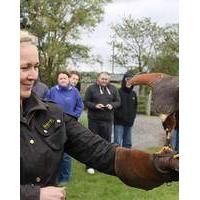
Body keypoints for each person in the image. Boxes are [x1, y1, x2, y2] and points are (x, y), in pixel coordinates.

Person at [20, 30, 178, 200]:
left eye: (36, 67)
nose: (33, 76)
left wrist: (160, 165)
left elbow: (101, 152)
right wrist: (32, 195)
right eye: (24, 67)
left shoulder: (51, 114)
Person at [46, 71, 84, 185]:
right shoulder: (52, 91)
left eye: (65, 78)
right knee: (54, 151)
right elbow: (46, 104)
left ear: (68, 80)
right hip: (54, 125)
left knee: (67, 153)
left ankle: (65, 179)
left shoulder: (74, 91)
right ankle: (54, 177)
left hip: (69, 125)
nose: (63, 80)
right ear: (58, 80)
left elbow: (80, 105)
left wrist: (74, 116)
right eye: (61, 78)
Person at [84, 72, 121, 174]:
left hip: (108, 120)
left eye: (106, 79)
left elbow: (118, 102)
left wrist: (112, 105)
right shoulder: (91, 88)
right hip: (94, 120)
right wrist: (95, 105)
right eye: (102, 79)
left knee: (106, 143)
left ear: (108, 80)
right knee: (92, 142)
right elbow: (86, 102)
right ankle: (89, 165)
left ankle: (104, 165)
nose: (104, 81)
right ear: (98, 79)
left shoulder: (113, 89)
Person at [114, 73, 137, 148]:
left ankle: (126, 159)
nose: (129, 81)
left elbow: (135, 108)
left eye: (131, 80)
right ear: (124, 80)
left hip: (129, 123)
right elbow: (115, 106)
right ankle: (116, 159)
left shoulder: (133, 94)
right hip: (119, 122)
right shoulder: (118, 92)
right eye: (127, 79)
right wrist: (119, 116)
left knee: (128, 143)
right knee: (117, 143)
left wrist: (132, 119)